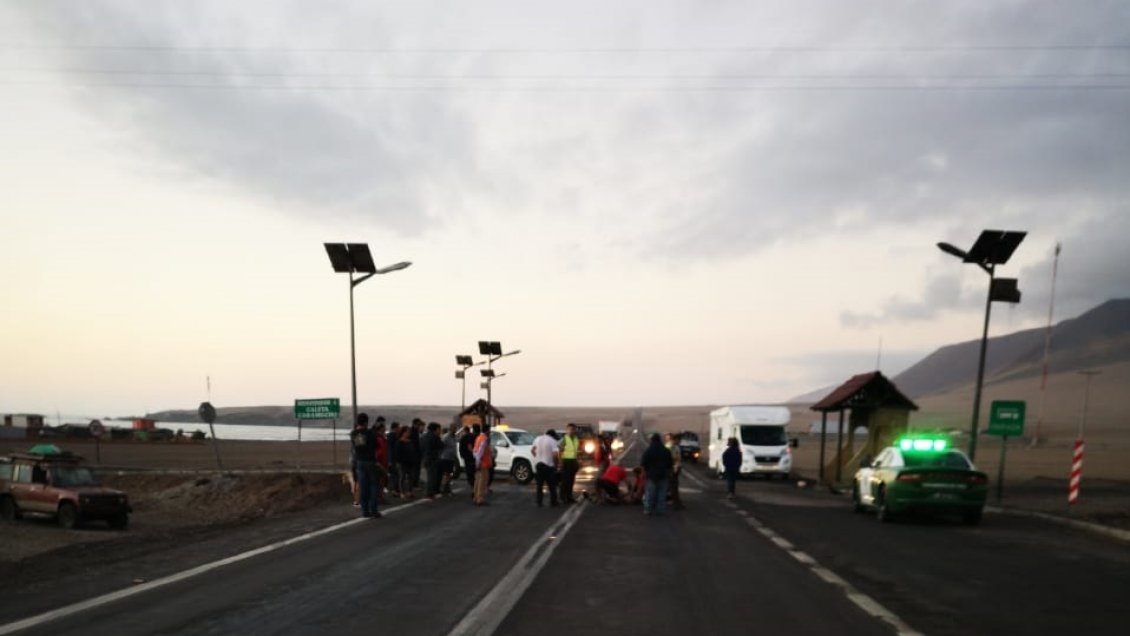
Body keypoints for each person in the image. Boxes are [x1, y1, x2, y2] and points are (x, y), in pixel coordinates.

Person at [349, 413, 381, 518]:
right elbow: (376, 445)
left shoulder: (353, 433)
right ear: (366, 422)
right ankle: (374, 510)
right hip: (370, 461)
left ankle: (365, 511)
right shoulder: (370, 433)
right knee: (374, 486)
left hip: (359, 462)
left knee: (363, 486)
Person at [640, 433, 673, 516]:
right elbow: (670, 464)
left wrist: (643, 473)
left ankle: (648, 510)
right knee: (661, 494)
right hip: (663, 475)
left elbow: (643, 463)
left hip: (651, 476)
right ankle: (660, 510)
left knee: (650, 493)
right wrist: (669, 474)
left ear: (652, 440)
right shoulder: (666, 451)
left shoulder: (649, 450)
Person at [531, 428, 560, 507]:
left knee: (539, 485)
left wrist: (537, 457)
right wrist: (556, 464)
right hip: (548, 466)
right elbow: (555, 455)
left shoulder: (537, 438)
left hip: (538, 465)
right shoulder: (552, 441)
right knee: (551, 485)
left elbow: (532, 450)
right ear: (553, 435)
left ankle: (539, 502)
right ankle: (553, 501)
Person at [558, 423, 581, 504]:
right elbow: (560, 451)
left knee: (571, 480)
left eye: (573, 429)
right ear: (566, 430)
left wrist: (578, 461)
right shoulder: (564, 439)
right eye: (570, 429)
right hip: (565, 461)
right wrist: (560, 462)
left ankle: (569, 497)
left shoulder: (576, 439)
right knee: (565, 480)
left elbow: (576, 451)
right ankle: (562, 497)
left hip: (573, 461)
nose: (572, 431)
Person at [421, 422, 443, 499]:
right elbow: (441, 446)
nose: (440, 431)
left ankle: (428, 492)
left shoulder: (424, 436)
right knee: (432, 477)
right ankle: (429, 493)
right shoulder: (434, 437)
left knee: (428, 476)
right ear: (436, 429)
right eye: (439, 429)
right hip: (432, 458)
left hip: (425, 458)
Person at [472, 424, 493, 506]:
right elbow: (480, 452)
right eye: (489, 430)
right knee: (482, 482)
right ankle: (480, 499)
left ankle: (476, 497)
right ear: (487, 430)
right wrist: (478, 463)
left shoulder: (478, 438)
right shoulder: (484, 439)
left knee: (477, 481)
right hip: (483, 464)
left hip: (479, 463)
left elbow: (474, 451)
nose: (490, 432)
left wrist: (476, 462)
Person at [395, 425, 418, 499]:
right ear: (403, 433)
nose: (409, 433)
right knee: (402, 477)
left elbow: (413, 451)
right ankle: (402, 492)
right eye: (408, 432)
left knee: (411, 477)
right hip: (402, 463)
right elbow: (397, 453)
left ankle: (409, 491)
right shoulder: (399, 442)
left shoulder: (410, 441)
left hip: (410, 462)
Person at [665, 433, 685, 510]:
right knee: (673, 486)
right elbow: (675, 458)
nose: (680, 442)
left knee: (672, 485)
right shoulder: (672, 446)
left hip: (673, 467)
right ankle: (676, 503)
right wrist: (675, 467)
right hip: (673, 468)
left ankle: (674, 501)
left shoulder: (671, 446)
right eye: (679, 440)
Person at [439, 423, 459, 496]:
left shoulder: (454, 437)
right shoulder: (446, 437)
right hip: (445, 458)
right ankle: (444, 489)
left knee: (450, 474)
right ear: (450, 429)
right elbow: (441, 446)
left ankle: (448, 489)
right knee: (446, 474)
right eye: (453, 429)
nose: (454, 430)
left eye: (455, 429)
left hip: (451, 458)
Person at [373, 420, 390, 504]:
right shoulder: (379, 439)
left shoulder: (381, 438)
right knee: (380, 481)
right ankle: (379, 497)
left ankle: (380, 497)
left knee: (381, 481)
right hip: (380, 463)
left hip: (382, 462)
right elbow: (380, 452)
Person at [459, 425, 478, 489]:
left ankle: (472, 484)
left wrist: (471, 453)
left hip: (468, 456)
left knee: (469, 471)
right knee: (473, 470)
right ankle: (474, 483)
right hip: (471, 457)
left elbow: (469, 446)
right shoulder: (473, 436)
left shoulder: (465, 437)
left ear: (465, 431)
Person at [386, 422, 402, 498]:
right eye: (398, 427)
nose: (399, 429)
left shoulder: (390, 436)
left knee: (394, 475)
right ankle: (394, 490)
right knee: (395, 475)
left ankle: (394, 490)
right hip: (393, 459)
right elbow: (390, 449)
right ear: (395, 428)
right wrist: (390, 460)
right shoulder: (393, 436)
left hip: (392, 459)